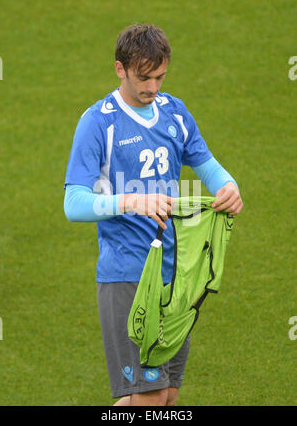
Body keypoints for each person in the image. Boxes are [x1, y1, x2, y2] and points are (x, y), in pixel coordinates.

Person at [63, 23, 243, 406]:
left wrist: (228, 186)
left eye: (160, 76)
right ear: (120, 69)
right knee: (149, 395)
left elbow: (206, 163)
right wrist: (130, 201)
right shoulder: (98, 122)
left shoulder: (174, 113)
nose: (152, 87)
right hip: (128, 274)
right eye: (143, 78)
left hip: (175, 277)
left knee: (167, 395)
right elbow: (73, 203)